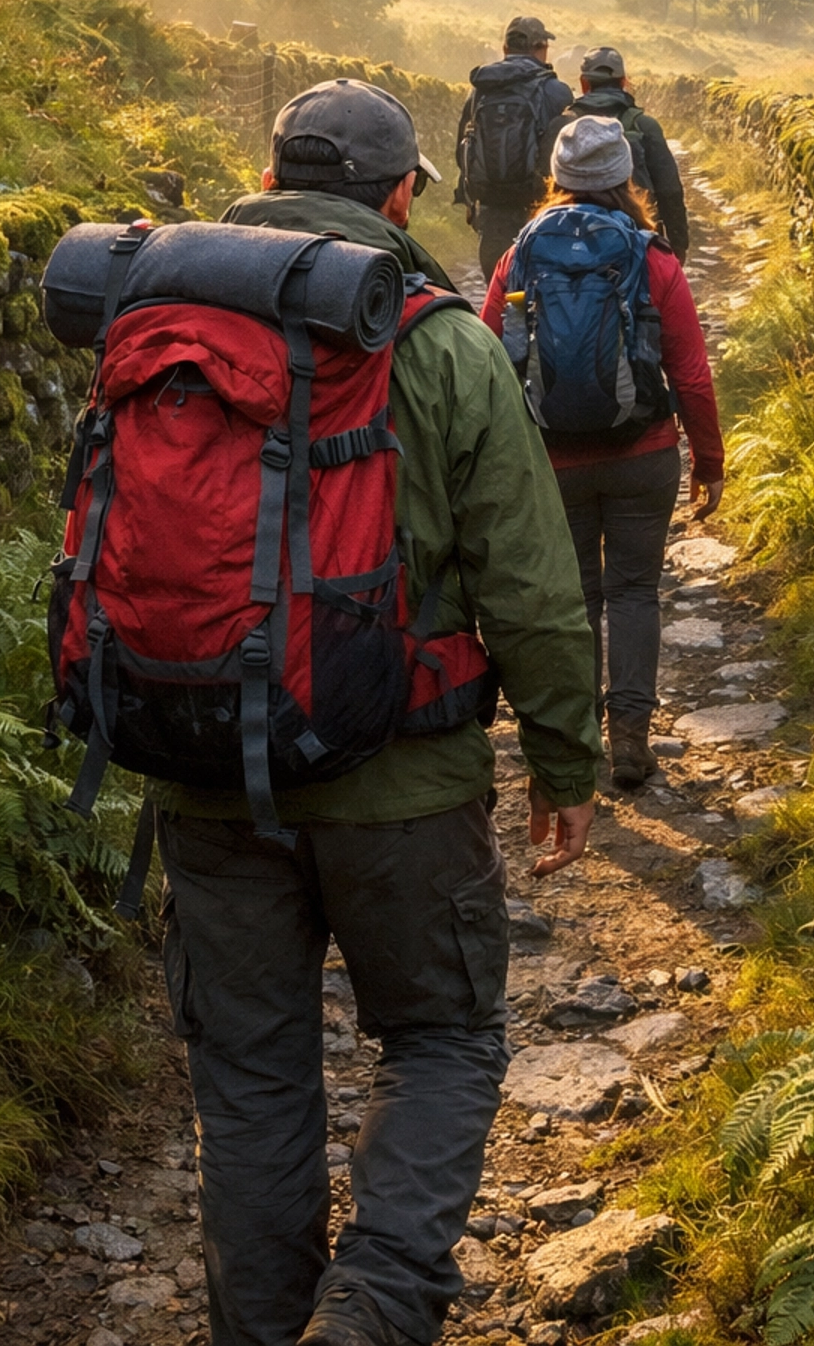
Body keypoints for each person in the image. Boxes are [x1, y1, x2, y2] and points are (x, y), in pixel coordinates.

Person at [157, 78, 602, 1346]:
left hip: (205, 762)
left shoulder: (167, 320)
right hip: (403, 782)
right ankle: (370, 1315)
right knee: (444, 1040)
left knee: (248, 1078)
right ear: (403, 194)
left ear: (267, 169)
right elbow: (527, 578)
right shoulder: (438, 338)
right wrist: (564, 762)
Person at [481, 115, 724, 792]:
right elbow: (694, 376)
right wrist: (709, 463)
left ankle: (578, 741)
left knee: (580, 595)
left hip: (554, 458)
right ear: (625, 177)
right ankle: (632, 740)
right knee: (636, 590)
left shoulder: (520, 254)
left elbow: (488, 359)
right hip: (643, 452)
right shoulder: (653, 257)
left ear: (556, 179)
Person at [454, 15, 573, 280]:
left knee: (498, 301)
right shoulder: (557, 92)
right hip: (541, 213)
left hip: (492, 214)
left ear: (506, 49)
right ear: (541, 49)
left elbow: (462, 150)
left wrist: (471, 199)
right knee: (541, 302)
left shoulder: (480, 92)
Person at [569, 46, 690, 260]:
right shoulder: (644, 125)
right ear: (624, 82)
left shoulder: (564, 127)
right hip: (637, 237)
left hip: (574, 240)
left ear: (584, 83)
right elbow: (669, 189)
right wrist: (678, 244)